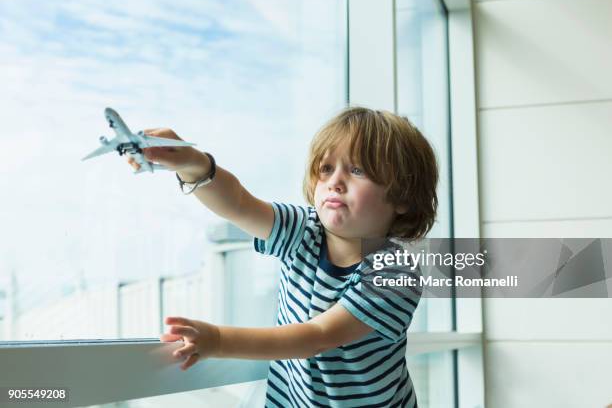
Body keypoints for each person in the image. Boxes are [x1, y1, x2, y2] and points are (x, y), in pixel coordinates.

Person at [129, 107, 438, 407]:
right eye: (326, 168)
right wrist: (192, 163)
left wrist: (218, 340)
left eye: (357, 170)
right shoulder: (304, 230)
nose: (335, 182)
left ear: (402, 197)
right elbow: (238, 203)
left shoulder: (396, 272)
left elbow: (317, 336)